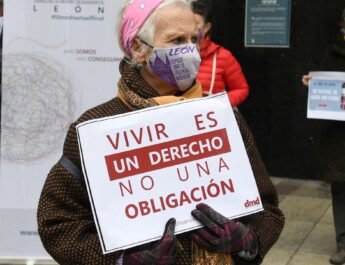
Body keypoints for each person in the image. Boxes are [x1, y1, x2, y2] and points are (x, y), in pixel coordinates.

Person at [37, 0, 284, 264]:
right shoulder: (97, 128)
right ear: (137, 48)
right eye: (176, 40)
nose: (190, 50)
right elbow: (58, 221)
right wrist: (122, 262)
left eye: (193, 38)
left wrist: (249, 241)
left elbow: (267, 207)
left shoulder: (221, 119)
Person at [302, 9, 345, 265]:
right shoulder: (332, 51)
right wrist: (312, 83)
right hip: (337, 136)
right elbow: (324, 83)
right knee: (340, 188)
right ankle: (343, 243)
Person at [191, 0, 249, 107]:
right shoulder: (172, 53)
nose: (190, 28)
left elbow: (241, 89)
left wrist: (221, 104)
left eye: (195, 24)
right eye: (186, 23)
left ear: (207, 27)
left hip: (212, 118)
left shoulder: (223, 56)